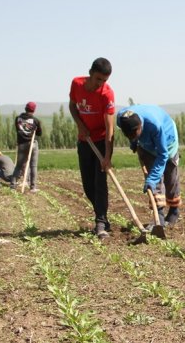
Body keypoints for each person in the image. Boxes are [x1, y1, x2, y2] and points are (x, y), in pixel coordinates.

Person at [69, 57, 116, 239]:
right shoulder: (76, 84)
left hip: (102, 140)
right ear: (90, 73)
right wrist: (79, 124)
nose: (101, 84)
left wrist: (107, 157)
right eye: (98, 79)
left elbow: (110, 127)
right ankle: (102, 217)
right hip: (84, 140)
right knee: (88, 185)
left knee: (99, 183)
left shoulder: (107, 94)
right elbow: (73, 106)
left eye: (104, 80)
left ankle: (101, 223)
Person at [117, 105, 182, 228]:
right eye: (129, 136)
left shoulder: (155, 125)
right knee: (154, 177)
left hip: (167, 141)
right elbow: (131, 132)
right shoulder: (121, 119)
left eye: (135, 134)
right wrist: (134, 141)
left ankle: (174, 211)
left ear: (140, 126)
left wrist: (152, 179)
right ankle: (159, 218)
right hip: (146, 146)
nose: (132, 137)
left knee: (170, 176)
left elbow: (163, 155)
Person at [12, 101, 43, 192]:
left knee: (18, 165)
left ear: (25, 108)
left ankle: (13, 185)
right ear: (34, 110)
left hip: (21, 144)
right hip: (32, 143)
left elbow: (17, 129)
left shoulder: (18, 119)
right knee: (33, 166)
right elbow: (39, 133)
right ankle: (33, 187)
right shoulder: (35, 120)